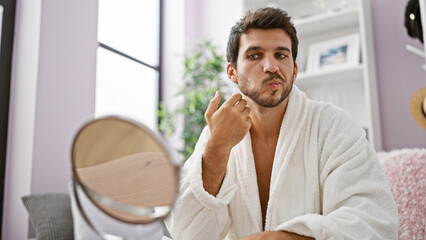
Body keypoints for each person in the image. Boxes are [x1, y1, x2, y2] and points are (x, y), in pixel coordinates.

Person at [165, 7, 398, 240]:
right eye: (254, 55)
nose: (271, 66)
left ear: (294, 70)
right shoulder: (217, 134)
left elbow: (373, 220)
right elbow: (186, 233)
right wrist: (217, 149)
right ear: (232, 72)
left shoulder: (333, 126)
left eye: (281, 55)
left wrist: (279, 238)